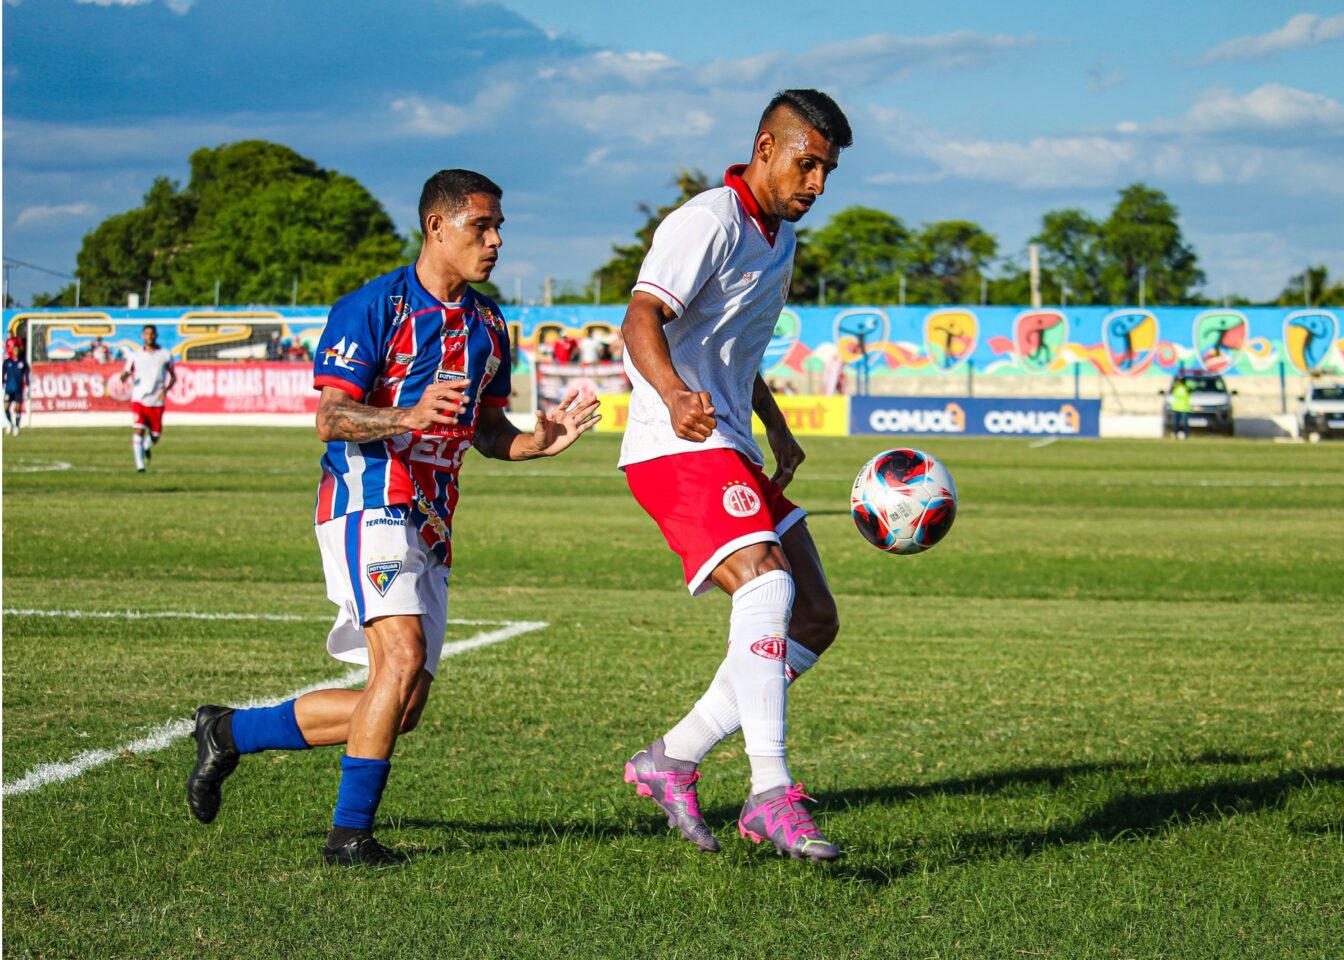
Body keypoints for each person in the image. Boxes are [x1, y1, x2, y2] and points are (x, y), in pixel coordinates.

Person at [184, 169, 600, 867]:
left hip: (434, 520)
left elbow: (488, 431)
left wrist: (537, 441)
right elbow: (331, 418)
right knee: (400, 659)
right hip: (366, 500)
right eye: (481, 226)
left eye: (499, 228)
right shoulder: (372, 306)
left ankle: (228, 732)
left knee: (398, 707)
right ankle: (349, 838)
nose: (495, 241)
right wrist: (406, 415)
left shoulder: (490, 323)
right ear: (437, 226)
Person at [619, 89, 850, 861]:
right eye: (806, 163)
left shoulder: (777, 238)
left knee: (814, 617)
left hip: (729, 443)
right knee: (766, 586)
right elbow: (641, 318)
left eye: (826, 171)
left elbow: (733, 352)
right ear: (765, 146)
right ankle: (770, 791)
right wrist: (677, 395)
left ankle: (672, 758)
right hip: (673, 441)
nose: (815, 184)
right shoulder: (707, 220)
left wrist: (776, 426)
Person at [119, 325, 175, 472]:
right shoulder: (135, 355)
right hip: (139, 398)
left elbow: (173, 376)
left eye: (152, 334)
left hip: (156, 400)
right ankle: (140, 467)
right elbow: (125, 374)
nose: (149, 336)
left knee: (156, 436)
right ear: (143, 336)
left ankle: (145, 448)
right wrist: (123, 377)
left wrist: (166, 389)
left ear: (156, 335)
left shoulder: (165, 354)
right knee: (139, 430)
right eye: (147, 334)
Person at [3, 339, 29, 436]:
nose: (16, 352)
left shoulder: (23, 362)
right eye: (14, 350)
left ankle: (17, 426)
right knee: (6, 407)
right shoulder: (7, 362)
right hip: (9, 389)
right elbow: (2, 374)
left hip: (18, 389)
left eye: (17, 350)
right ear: (12, 351)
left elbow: (26, 375)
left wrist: (28, 386)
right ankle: (11, 424)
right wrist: (2, 383)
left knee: (18, 408)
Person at [1170, 375, 1192, 439]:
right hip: (1176, 407)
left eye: (1181, 380)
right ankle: (1175, 435)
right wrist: (1176, 384)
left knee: (1185, 423)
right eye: (1179, 380)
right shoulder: (1176, 387)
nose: (1180, 381)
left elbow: (1189, 390)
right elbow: (1171, 390)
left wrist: (1184, 385)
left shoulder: (1186, 387)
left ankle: (1186, 435)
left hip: (1185, 408)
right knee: (1176, 423)